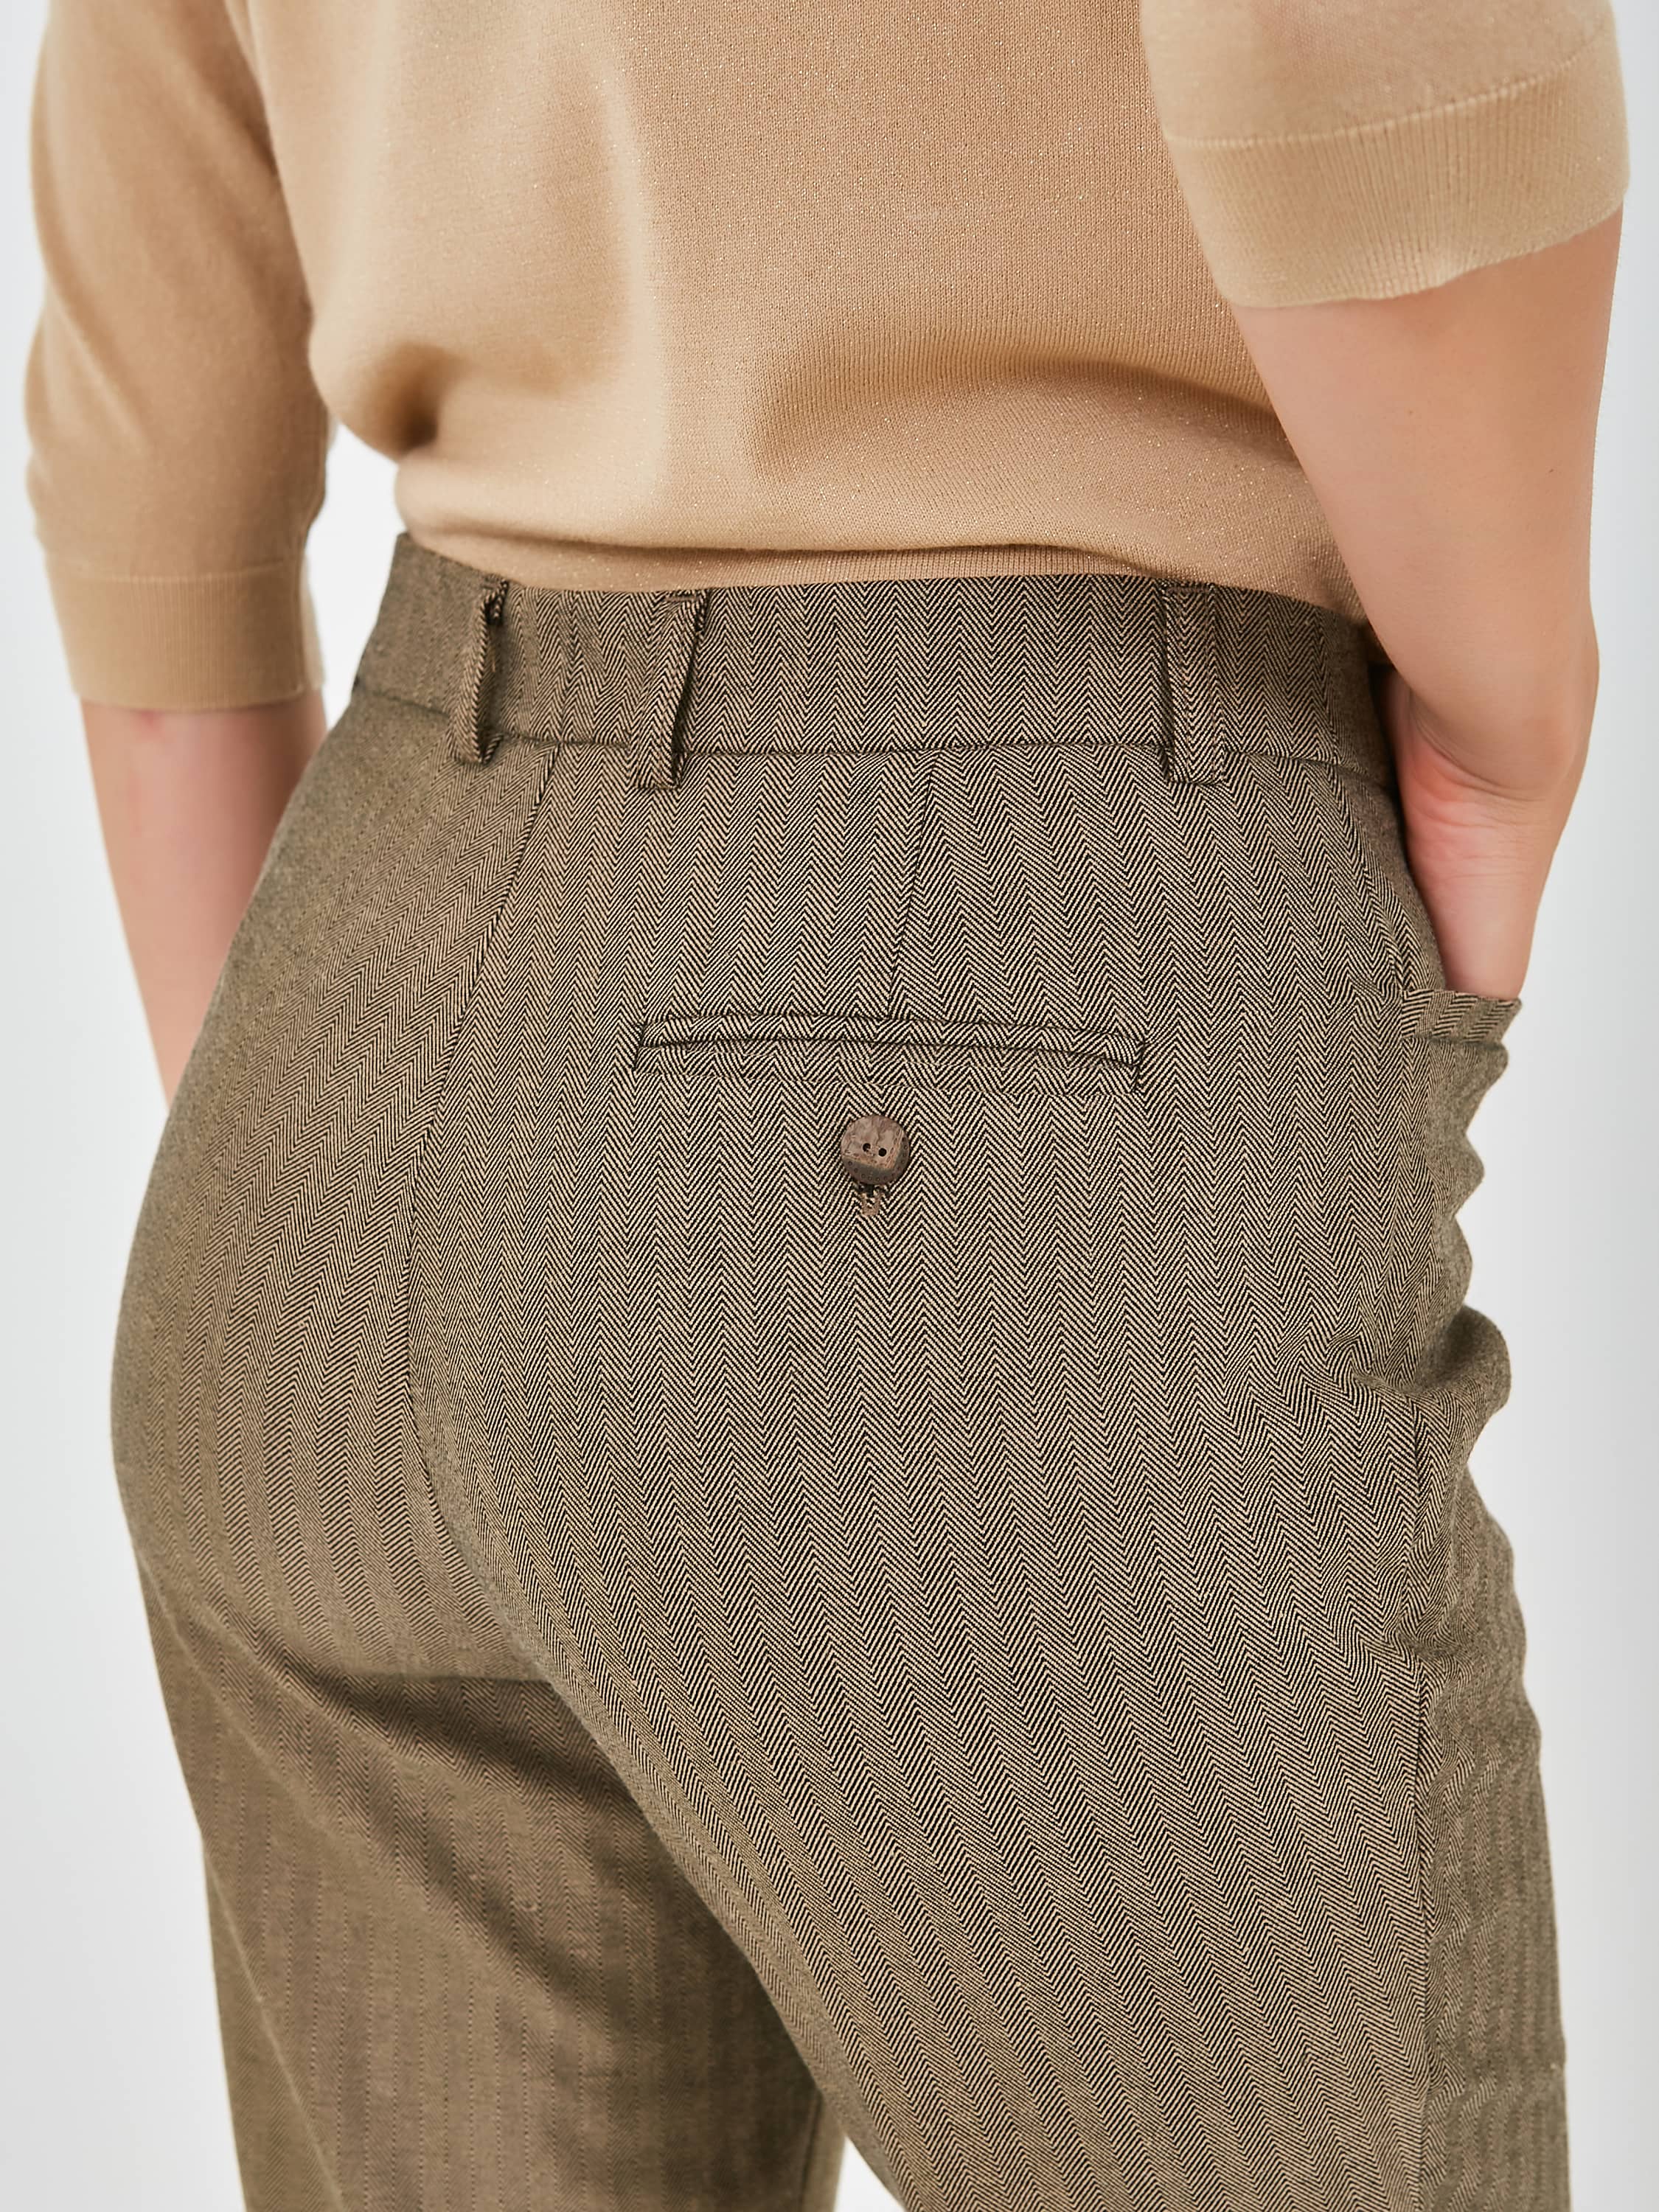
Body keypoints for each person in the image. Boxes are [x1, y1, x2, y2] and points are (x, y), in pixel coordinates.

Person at [22, 4, 1628, 2208]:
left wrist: (377, 1174)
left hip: (342, 1018)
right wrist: (1510, 702)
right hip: (1023, 940)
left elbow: (151, 501)